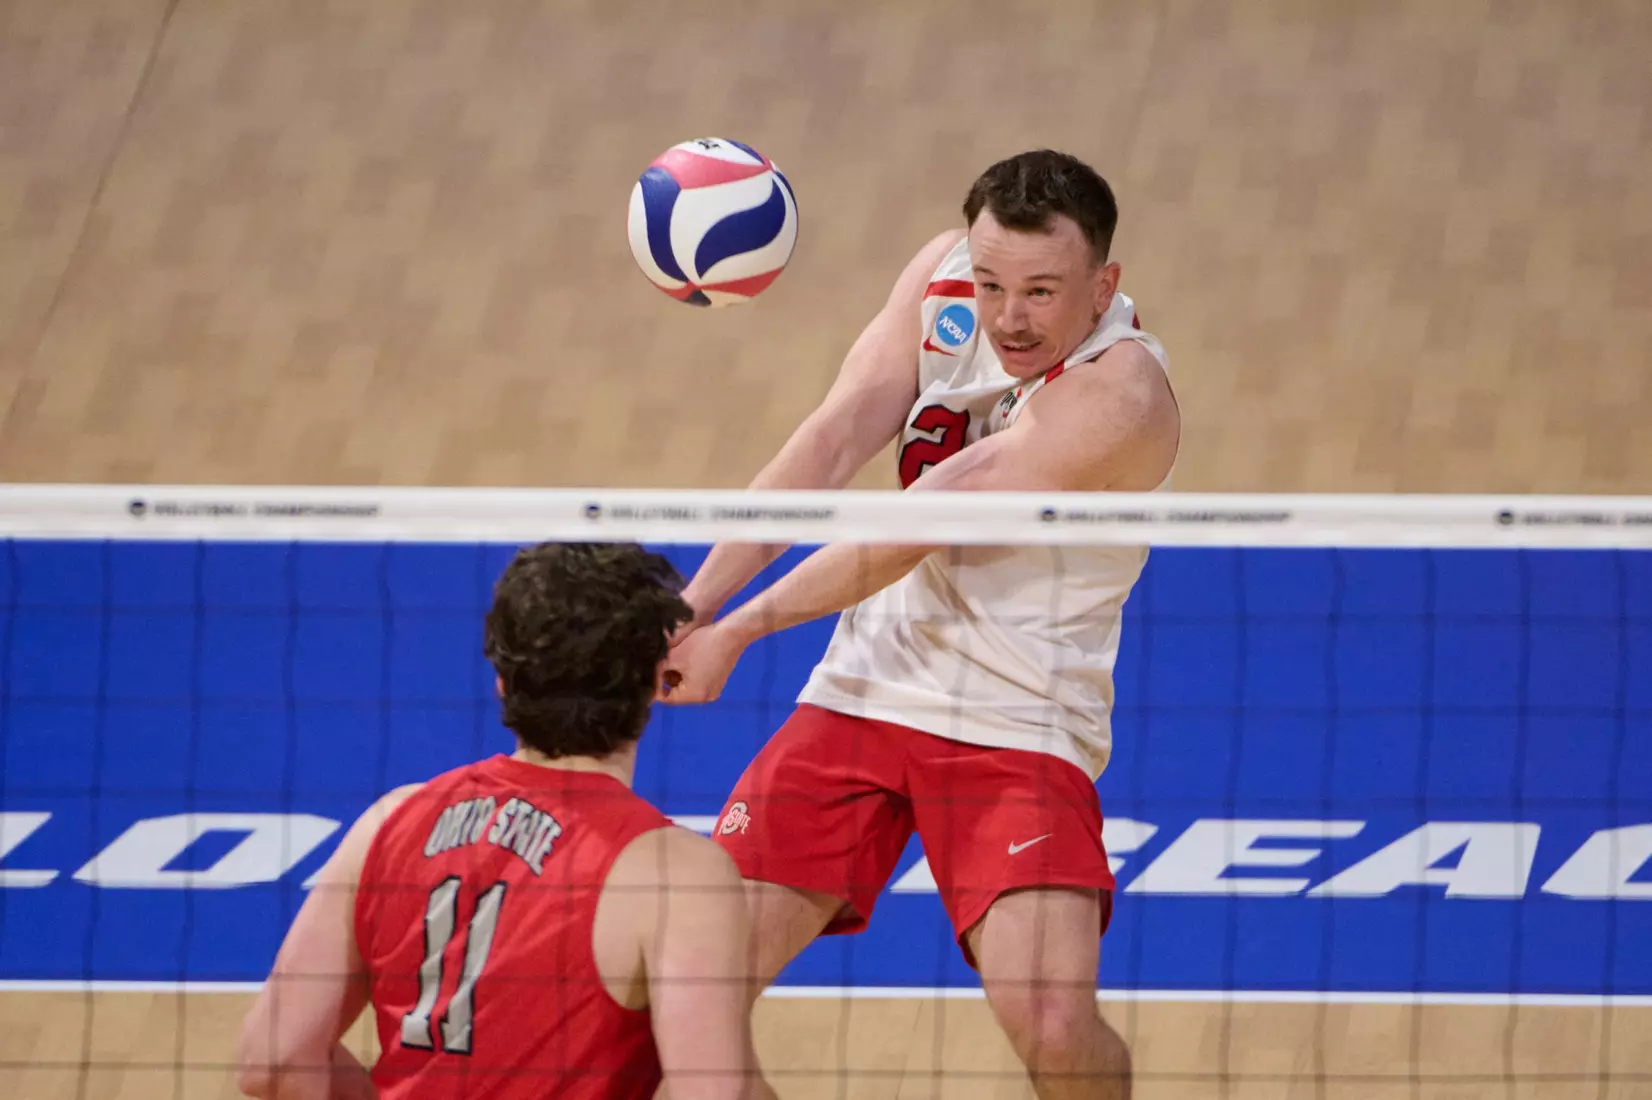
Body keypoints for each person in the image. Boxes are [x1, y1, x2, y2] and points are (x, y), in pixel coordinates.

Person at [661, 149, 1180, 1099]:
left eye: (1040, 292)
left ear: (1103, 283)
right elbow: (833, 438)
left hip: (1018, 723)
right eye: (991, 283)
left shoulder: (1123, 393)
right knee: (685, 999)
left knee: (1057, 1028)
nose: (1007, 318)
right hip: (863, 695)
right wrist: (692, 606)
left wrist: (737, 632)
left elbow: (921, 518)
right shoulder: (941, 277)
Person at [237, 542, 776, 1100]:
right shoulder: (675, 873)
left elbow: (272, 1060)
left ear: (502, 680)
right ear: (657, 680)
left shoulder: (389, 822)